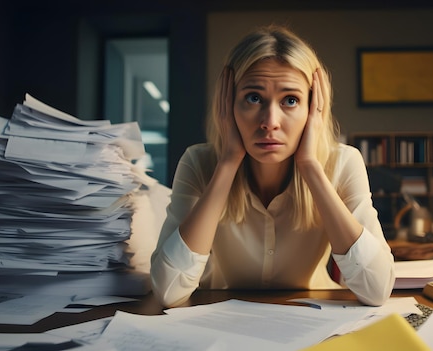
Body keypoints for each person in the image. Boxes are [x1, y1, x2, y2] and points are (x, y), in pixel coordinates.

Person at [150, 24, 395, 308]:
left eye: (290, 100)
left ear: (313, 108)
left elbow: (376, 290)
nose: (270, 121)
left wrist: (311, 167)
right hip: (221, 323)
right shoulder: (199, 162)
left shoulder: (343, 162)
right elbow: (167, 291)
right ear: (228, 104)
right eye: (253, 98)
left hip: (315, 318)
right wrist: (228, 163)